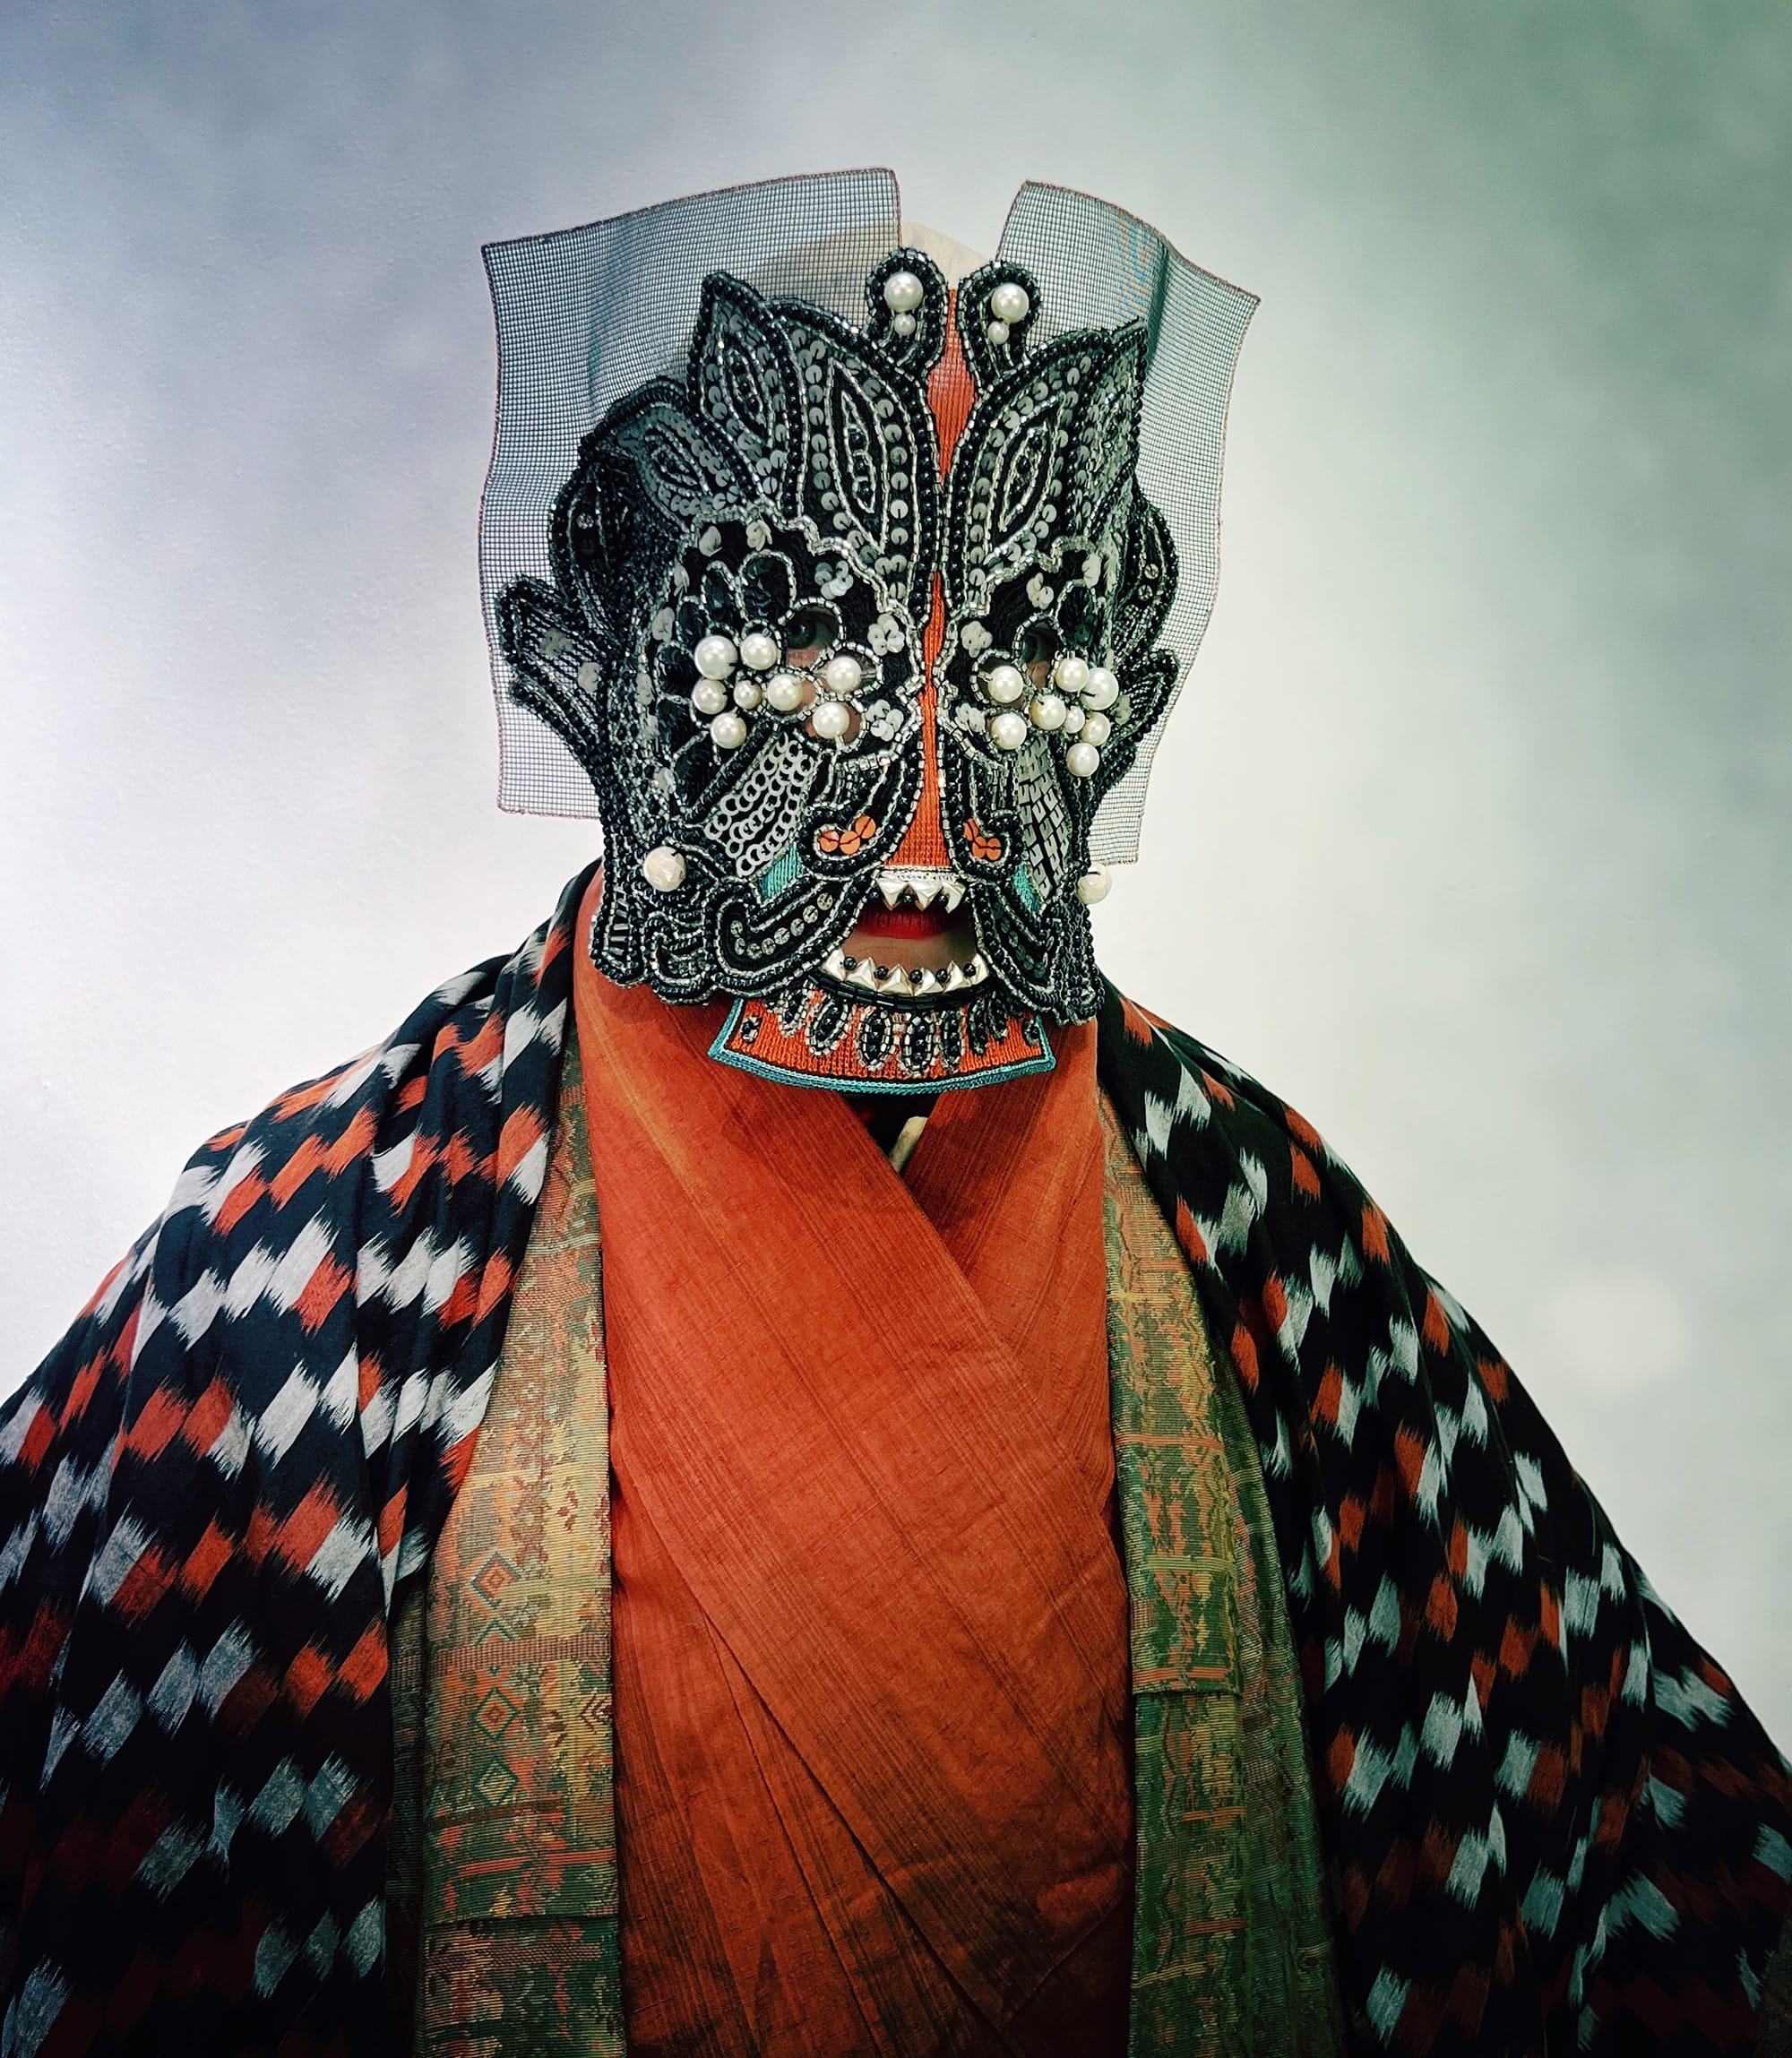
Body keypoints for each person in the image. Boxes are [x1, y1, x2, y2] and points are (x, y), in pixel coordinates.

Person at [2, 172, 1788, 2058]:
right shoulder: (310, 1265)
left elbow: (1658, 1849)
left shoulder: (1265, 1239)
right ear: (608, 657)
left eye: (1007, 659)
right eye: (803, 661)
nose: (920, 806)